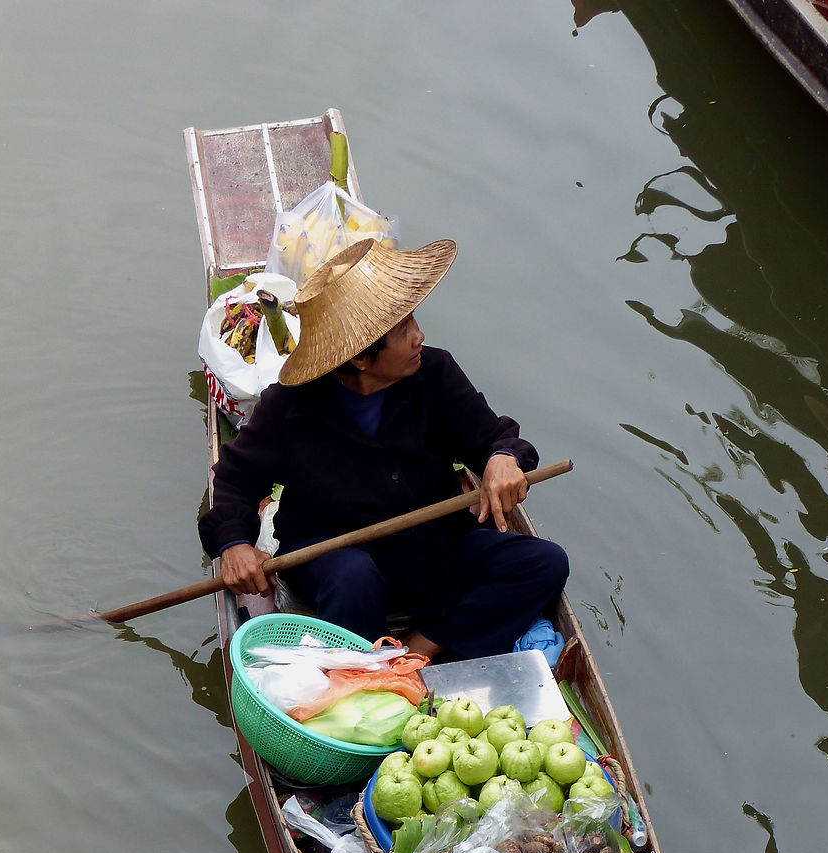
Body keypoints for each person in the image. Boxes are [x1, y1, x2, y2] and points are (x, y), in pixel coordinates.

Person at [198, 237, 569, 661]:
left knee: (545, 563)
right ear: (360, 357)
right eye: (404, 329)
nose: (419, 336)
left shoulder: (436, 373)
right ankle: (372, 669)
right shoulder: (290, 405)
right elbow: (234, 479)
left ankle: (420, 646)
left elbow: (495, 439)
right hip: (336, 561)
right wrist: (235, 545)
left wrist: (503, 459)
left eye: (414, 322)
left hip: (431, 548)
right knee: (353, 579)